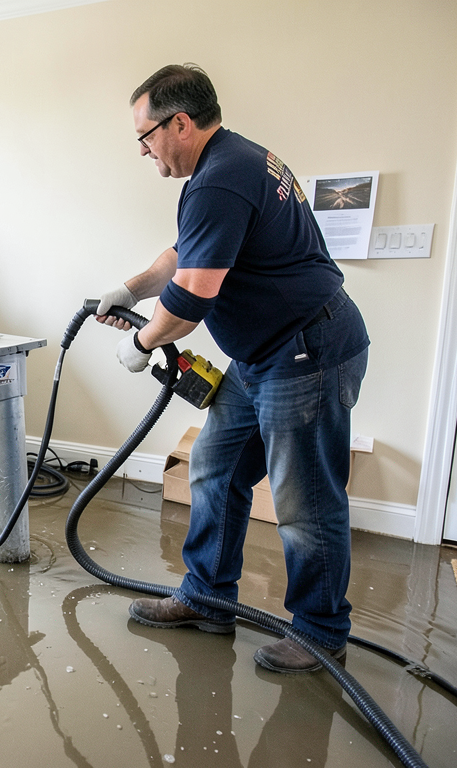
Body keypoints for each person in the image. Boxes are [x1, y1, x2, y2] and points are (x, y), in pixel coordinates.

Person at [96, 64, 369, 673]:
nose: (142, 149)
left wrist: (141, 342)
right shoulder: (226, 164)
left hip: (306, 351)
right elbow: (184, 254)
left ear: (180, 123)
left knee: (304, 500)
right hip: (263, 353)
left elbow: (191, 299)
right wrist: (132, 289)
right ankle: (207, 599)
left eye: (145, 136)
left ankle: (321, 632)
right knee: (215, 468)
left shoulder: (221, 178)